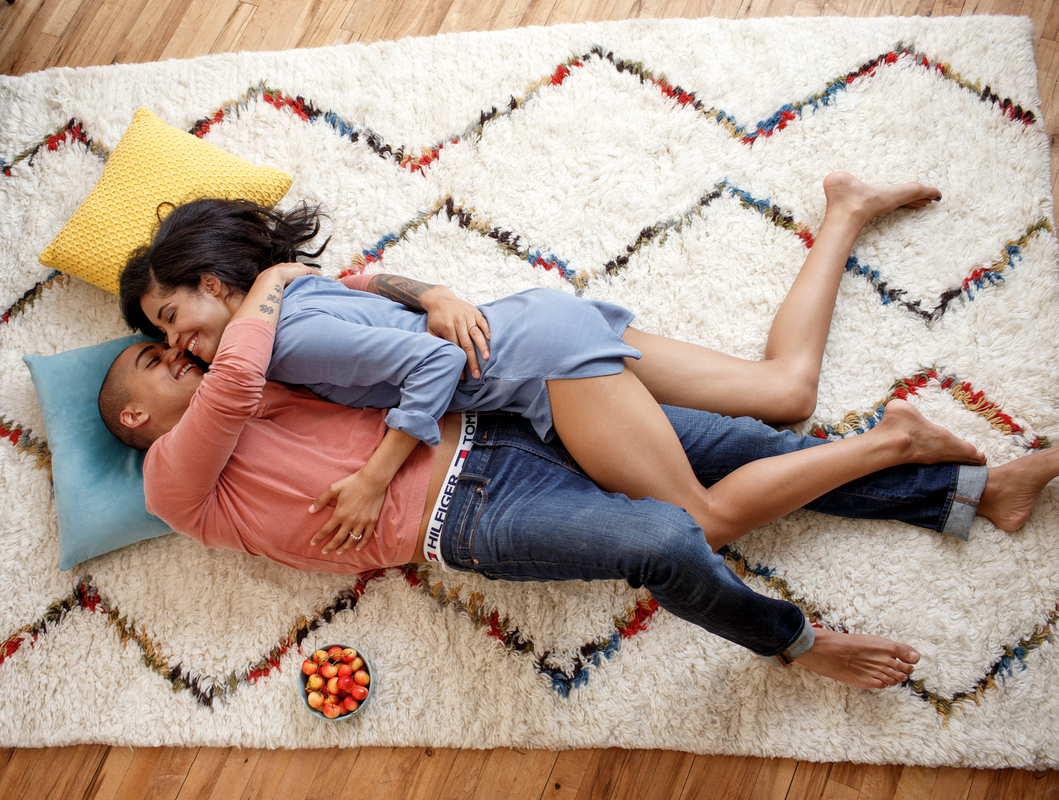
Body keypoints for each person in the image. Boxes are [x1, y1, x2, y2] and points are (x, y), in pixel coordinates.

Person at [97, 261, 1059, 691]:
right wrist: (255, 289)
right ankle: (797, 643)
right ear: (135, 419)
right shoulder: (173, 481)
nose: (177, 351)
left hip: (500, 420)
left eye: (175, 333)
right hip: (470, 519)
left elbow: (351, 298)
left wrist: (422, 290)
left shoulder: (260, 367)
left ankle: (971, 491)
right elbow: (231, 379)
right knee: (674, 535)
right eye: (155, 356)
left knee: (752, 448)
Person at [116, 173, 961, 554]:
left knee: (701, 524)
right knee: (785, 392)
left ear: (215, 281)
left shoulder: (284, 339)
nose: (182, 344)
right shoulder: (287, 294)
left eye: (172, 318)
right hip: (543, 324)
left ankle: (892, 442)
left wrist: (376, 475)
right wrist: (432, 286)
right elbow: (366, 284)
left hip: (541, 370)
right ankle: (846, 211)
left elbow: (428, 370)